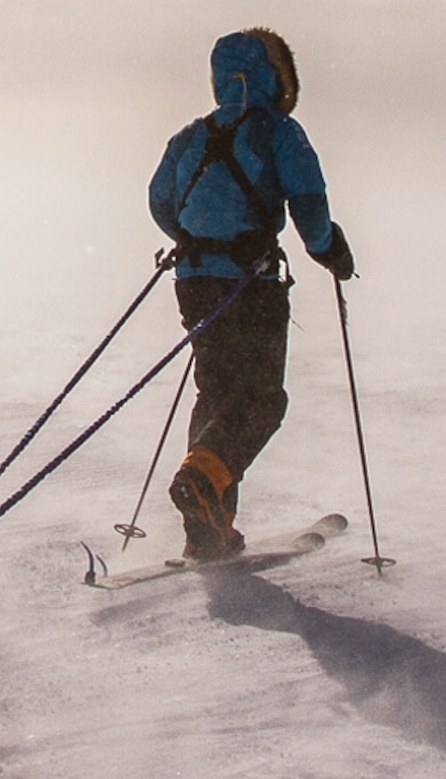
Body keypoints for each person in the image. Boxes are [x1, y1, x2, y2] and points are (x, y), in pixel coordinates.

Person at [146, 28, 355, 562]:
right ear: (274, 77)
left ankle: (208, 528)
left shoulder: (189, 136)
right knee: (261, 400)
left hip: (194, 282)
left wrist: (200, 242)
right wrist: (329, 247)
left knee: (216, 393)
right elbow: (308, 199)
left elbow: (160, 203)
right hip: (250, 284)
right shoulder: (278, 131)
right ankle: (202, 479)